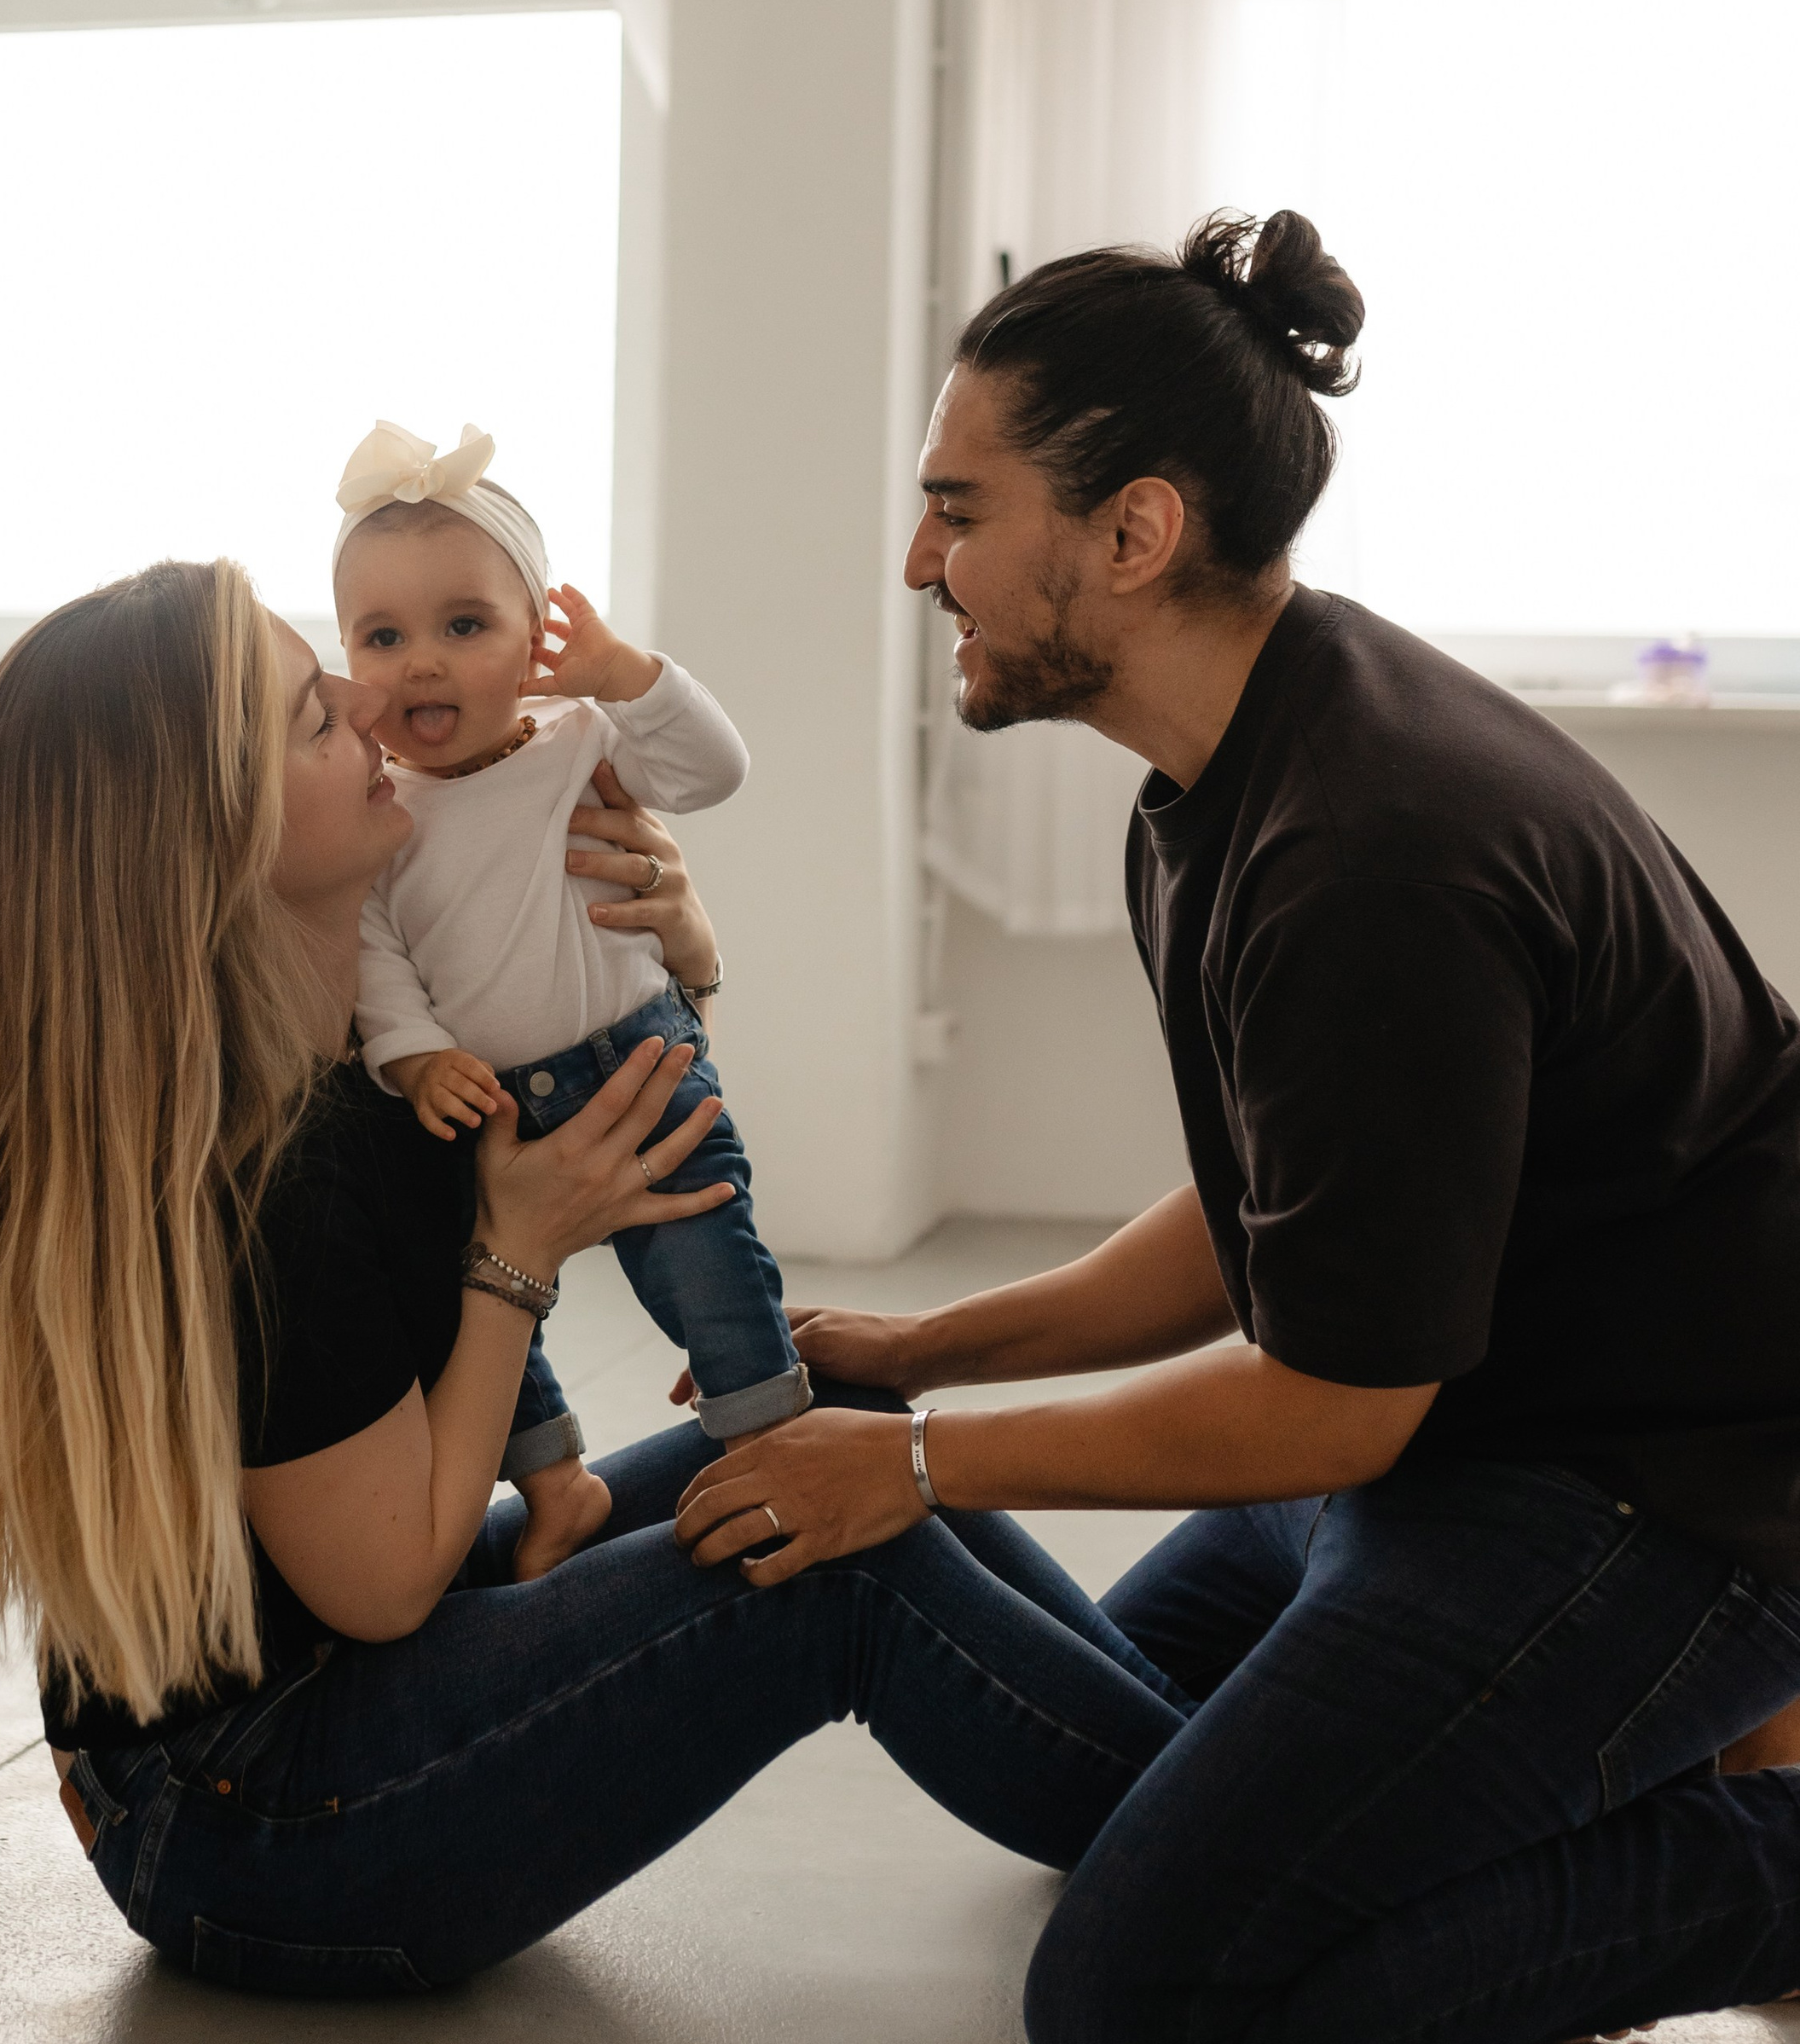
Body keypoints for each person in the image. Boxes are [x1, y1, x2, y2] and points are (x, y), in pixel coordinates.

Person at [675, 210, 1800, 2043]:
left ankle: (1761, 1857)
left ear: (1131, 532)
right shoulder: (1228, 765)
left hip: (1644, 1496)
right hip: (1444, 1434)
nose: (915, 559)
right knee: (1102, 1767)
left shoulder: (1367, 854)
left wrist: (921, 1460)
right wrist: (918, 1343)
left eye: (958, 508)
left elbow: (1331, 1398)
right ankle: (1580, 1776)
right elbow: (1266, 1210)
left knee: (1144, 1989)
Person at [0, 554, 1193, 1996]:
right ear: (217, 836)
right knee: (836, 1564)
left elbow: (591, 1078)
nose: (362, 690)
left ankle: (1207, 1755)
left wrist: (683, 956)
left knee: (820, 1421)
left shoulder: (366, 1047)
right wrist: (514, 1258)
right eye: (310, 717)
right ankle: (1239, 1837)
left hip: (341, 1696)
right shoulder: (262, 1167)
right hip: (257, 1821)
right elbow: (390, 1582)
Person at [331, 420, 807, 1582]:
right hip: (482, 1098)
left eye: (465, 626)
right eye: (381, 637)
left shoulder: (580, 740)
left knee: (704, 1249)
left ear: (540, 638)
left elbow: (714, 773)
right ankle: (555, 1480)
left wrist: (629, 678)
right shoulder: (380, 808)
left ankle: (769, 1436)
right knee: (467, 1303)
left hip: (634, 1059)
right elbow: (376, 962)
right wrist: (414, 1058)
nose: (422, 663)